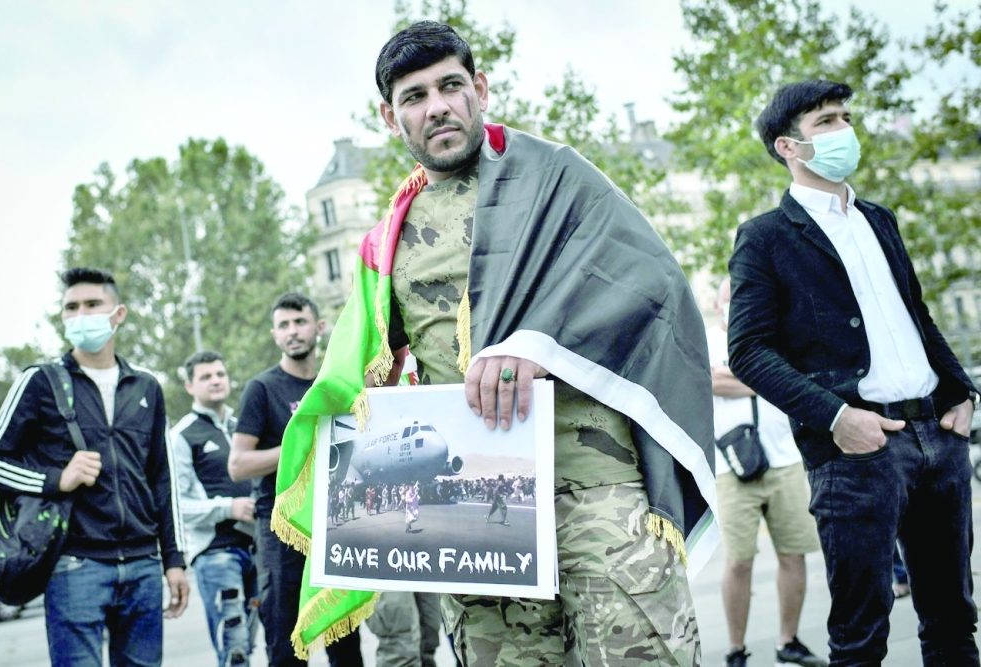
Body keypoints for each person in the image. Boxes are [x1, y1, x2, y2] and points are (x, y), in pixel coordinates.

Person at [272, 21, 717, 666]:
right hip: (473, 510)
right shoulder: (383, 241)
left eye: (451, 86)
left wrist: (541, 345)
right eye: (414, 97)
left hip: (595, 490)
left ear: (478, 89)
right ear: (390, 118)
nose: (438, 107)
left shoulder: (561, 183)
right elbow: (370, 370)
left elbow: (652, 289)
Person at [728, 79, 979, 665]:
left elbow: (915, 314)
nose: (845, 131)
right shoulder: (765, 238)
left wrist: (962, 390)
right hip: (859, 453)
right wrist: (838, 418)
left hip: (938, 439)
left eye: (845, 117)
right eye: (827, 123)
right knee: (861, 636)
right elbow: (748, 351)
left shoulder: (879, 219)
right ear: (789, 147)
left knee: (952, 620)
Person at [0, 267, 189, 666]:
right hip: (75, 565)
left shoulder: (146, 387)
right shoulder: (39, 381)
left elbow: (162, 479)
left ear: (119, 313)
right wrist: (56, 479)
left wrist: (174, 560)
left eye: (93, 304)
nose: (81, 315)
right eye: (70, 307)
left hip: (144, 565)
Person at [227, 293, 362, 667]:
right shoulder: (262, 388)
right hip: (281, 528)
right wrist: (302, 447)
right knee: (286, 643)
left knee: (345, 639)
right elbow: (238, 465)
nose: (293, 332)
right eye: (284, 325)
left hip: (335, 522)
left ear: (319, 327)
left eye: (300, 322)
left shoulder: (334, 382)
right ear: (274, 335)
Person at [708, 278, 826, 667]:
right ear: (716, 302)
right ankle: (736, 649)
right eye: (729, 299)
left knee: (794, 555)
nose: (735, 305)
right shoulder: (705, 340)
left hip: (785, 461)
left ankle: (787, 642)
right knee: (738, 562)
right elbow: (709, 380)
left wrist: (746, 380)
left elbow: (794, 379)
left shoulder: (776, 334)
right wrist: (766, 378)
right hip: (731, 468)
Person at [171, 350, 258, 667]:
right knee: (234, 650)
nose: (216, 381)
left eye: (220, 374)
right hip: (216, 553)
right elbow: (176, 505)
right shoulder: (182, 435)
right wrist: (229, 507)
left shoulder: (243, 426)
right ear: (189, 386)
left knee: (250, 644)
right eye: (206, 377)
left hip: (258, 551)